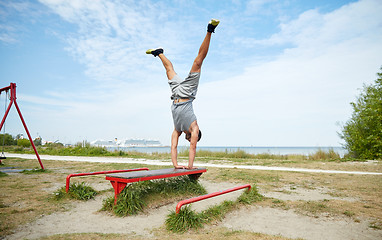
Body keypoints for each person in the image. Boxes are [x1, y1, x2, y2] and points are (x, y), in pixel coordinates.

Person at [146, 19, 220, 170]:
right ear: (194, 135)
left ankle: (159, 53)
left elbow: (173, 147)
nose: (189, 139)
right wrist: (190, 166)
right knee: (198, 62)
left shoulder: (177, 128)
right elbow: (193, 148)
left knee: (169, 70)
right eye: (191, 138)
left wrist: (176, 165)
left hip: (175, 94)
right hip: (187, 92)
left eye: (188, 138)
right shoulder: (194, 128)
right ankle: (210, 30)